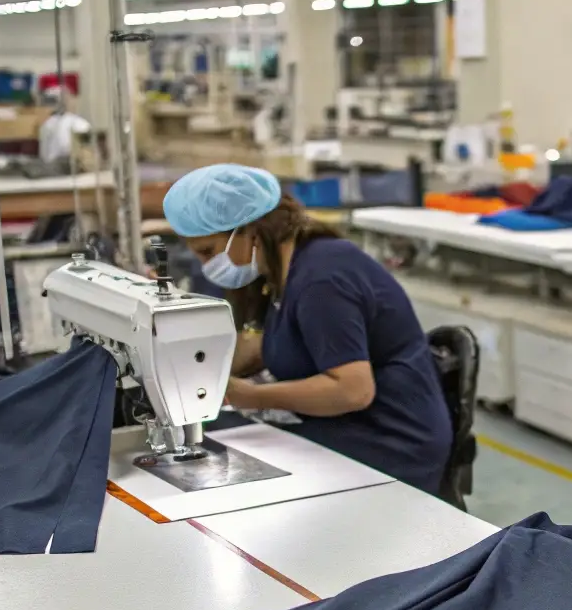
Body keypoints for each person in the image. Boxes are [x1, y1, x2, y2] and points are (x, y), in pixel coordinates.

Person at [163, 164, 453, 495]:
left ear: (249, 230)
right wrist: (194, 372)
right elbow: (268, 343)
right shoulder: (282, 269)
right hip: (349, 425)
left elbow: (353, 390)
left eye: (208, 252)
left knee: (232, 474)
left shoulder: (322, 280)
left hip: (391, 440)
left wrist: (251, 396)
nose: (206, 266)